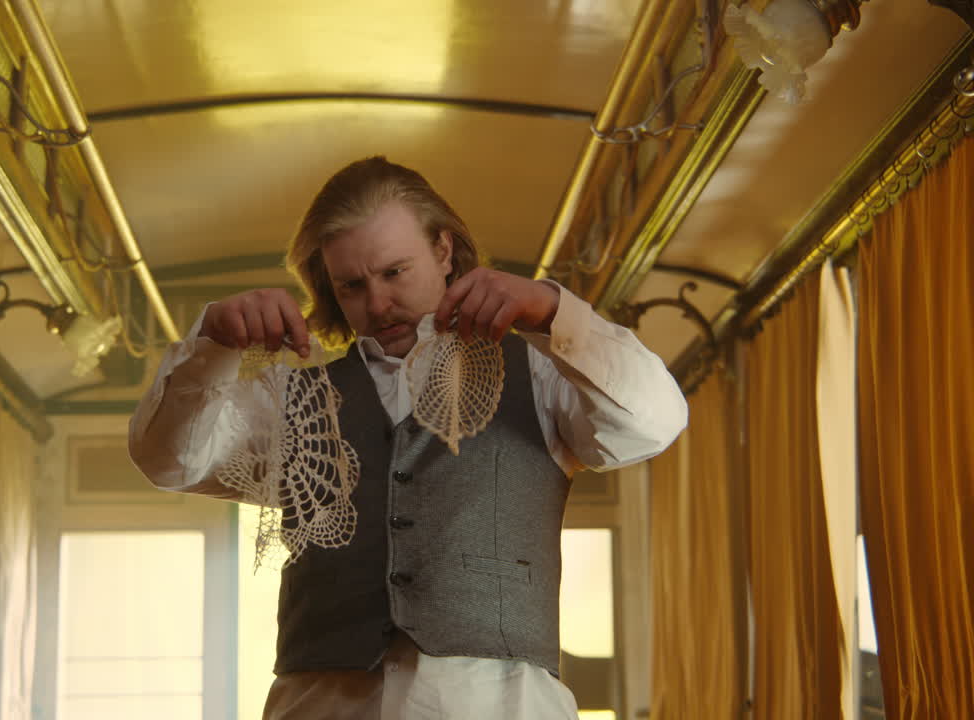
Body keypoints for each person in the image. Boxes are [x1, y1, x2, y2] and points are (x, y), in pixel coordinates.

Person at [129, 156, 688, 719]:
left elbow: (652, 424)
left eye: (394, 272)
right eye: (351, 285)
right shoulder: (292, 398)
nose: (376, 304)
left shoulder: (541, 375)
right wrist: (213, 346)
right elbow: (169, 462)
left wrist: (553, 312)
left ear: (444, 251)